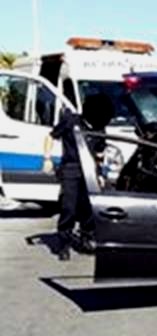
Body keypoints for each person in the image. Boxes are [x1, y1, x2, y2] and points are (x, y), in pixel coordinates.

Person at [48, 94, 114, 261]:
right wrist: (47, 158)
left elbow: (99, 153)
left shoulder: (100, 128)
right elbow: (51, 136)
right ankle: (64, 242)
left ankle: (87, 237)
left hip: (90, 171)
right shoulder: (70, 121)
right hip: (71, 169)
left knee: (88, 207)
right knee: (68, 207)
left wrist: (100, 174)